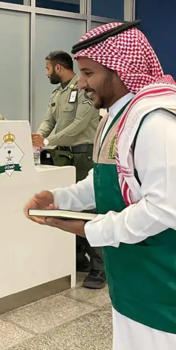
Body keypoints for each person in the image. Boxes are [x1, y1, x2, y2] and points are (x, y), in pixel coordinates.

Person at [24, 21, 176, 350]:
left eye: (89, 73)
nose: (82, 83)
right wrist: (60, 199)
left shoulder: (158, 123)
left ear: (121, 69)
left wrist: (92, 229)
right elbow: (104, 179)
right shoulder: (119, 119)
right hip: (139, 283)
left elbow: (167, 210)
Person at [32, 50, 104, 289]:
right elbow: (48, 120)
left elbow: (80, 124)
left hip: (83, 154)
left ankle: (99, 268)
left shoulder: (82, 89)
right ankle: (77, 259)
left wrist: (48, 141)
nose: (46, 73)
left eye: (47, 68)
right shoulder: (58, 93)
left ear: (59, 68)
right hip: (62, 156)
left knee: (90, 208)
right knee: (68, 207)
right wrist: (39, 136)